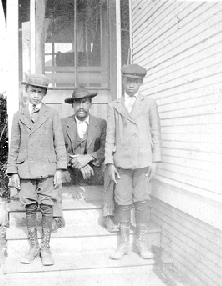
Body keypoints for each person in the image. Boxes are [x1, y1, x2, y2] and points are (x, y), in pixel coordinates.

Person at [7, 74, 67, 266]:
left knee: (47, 206)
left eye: (40, 92)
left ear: (45, 94)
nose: (35, 95)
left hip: (47, 169)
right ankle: (34, 246)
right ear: (26, 92)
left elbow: (59, 143)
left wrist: (60, 169)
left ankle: (46, 247)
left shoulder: (52, 114)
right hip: (26, 169)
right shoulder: (18, 115)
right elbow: (14, 146)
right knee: (30, 206)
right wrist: (13, 171)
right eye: (33, 91)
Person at [105, 64, 162, 260]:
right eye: (129, 81)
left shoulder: (150, 104)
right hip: (122, 162)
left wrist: (156, 160)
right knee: (122, 202)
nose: (132, 85)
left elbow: (156, 133)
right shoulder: (114, 106)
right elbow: (110, 137)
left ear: (141, 83)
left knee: (142, 201)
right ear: (123, 81)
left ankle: (141, 242)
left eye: (136, 81)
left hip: (143, 161)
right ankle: (123, 244)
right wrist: (110, 162)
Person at [52, 87, 108, 230]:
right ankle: (56, 217)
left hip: (93, 172)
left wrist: (88, 157)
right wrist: (77, 162)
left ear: (90, 104)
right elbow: (57, 148)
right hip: (70, 172)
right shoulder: (63, 123)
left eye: (84, 102)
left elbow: (104, 149)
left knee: (110, 169)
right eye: (77, 103)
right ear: (72, 105)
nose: (81, 106)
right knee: (54, 172)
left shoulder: (101, 123)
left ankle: (108, 215)